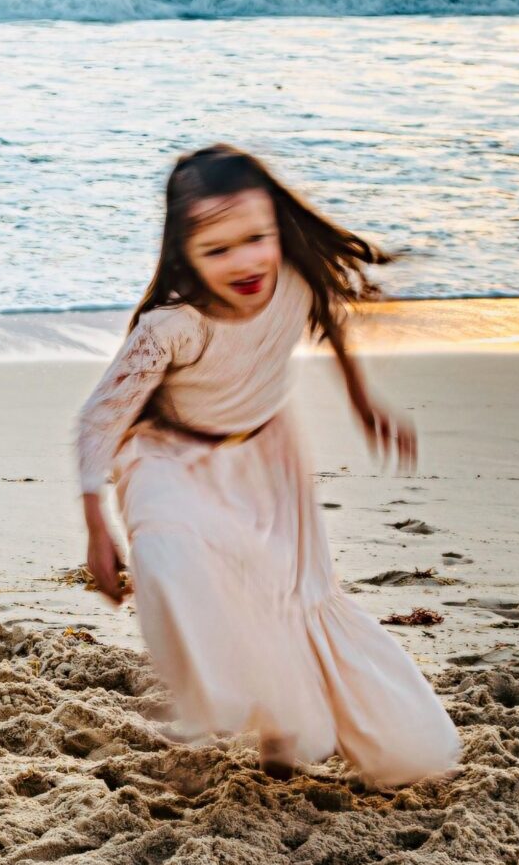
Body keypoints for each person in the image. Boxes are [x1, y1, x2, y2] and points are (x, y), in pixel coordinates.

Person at [75, 145, 460, 789]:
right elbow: (99, 420)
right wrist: (96, 527)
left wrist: (366, 405)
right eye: (217, 249)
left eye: (256, 238)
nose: (245, 262)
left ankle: (283, 741)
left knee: (288, 599)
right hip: (171, 460)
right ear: (185, 253)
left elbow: (329, 321)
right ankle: (231, 701)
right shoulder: (175, 323)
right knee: (180, 560)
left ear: (277, 224)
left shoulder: (296, 279)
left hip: (267, 461)